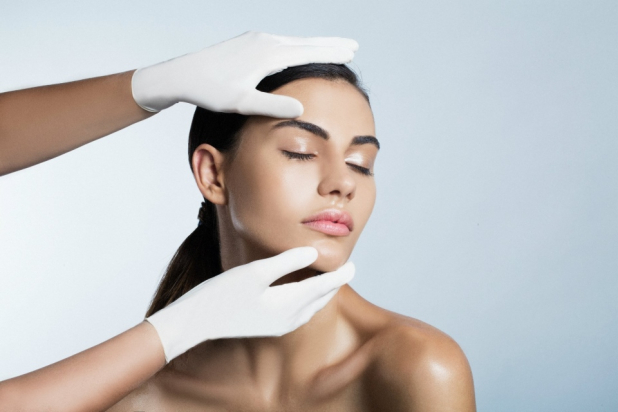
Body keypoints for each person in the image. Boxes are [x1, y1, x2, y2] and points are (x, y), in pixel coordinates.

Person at [0, 32, 476, 411]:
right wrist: (171, 333)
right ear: (212, 174)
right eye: (301, 152)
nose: (342, 183)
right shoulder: (138, 399)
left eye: (361, 164)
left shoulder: (419, 367)